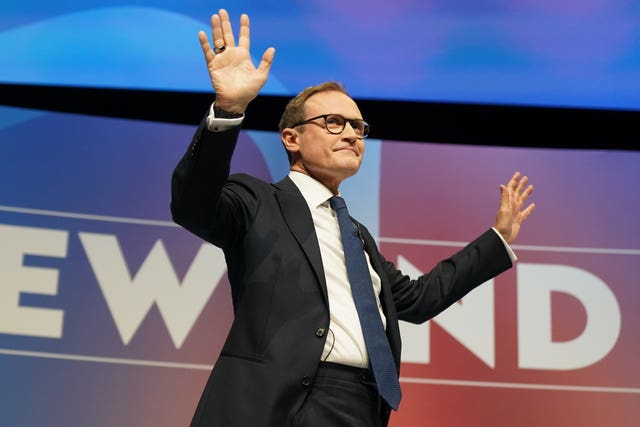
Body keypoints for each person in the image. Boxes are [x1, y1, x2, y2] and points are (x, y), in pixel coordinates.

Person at [170, 8, 536, 427]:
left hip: (361, 406)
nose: (350, 135)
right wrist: (229, 108)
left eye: (359, 128)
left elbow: (418, 300)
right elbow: (193, 205)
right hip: (280, 404)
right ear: (291, 138)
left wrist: (498, 239)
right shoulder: (257, 201)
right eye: (333, 122)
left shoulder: (356, 237)